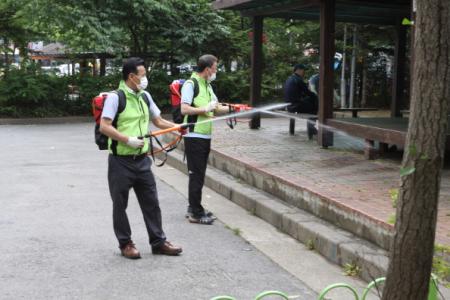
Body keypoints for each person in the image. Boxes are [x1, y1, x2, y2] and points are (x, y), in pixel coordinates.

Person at [100, 57, 183, 259]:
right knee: (120, 204)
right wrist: (126, 139)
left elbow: (159, 120)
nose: (145, 78)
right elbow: (105, 126)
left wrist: (178, 128)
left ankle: (158, 242)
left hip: (142, 160)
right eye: (143, 75)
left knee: (151, 202)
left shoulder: (145, 96)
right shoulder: (115, 98)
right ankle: (126, 244)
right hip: (120, 161)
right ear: (131, 76)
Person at [180, 54, 228, 225]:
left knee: (199, 174)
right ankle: (195, 212)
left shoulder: (207, 85)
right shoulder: (190, 84)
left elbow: (215, 107)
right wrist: (204, 108)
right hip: (194, 135)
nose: (215, 72)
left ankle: (194, 207)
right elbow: (184, 109)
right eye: (215, 69)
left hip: (205, 135)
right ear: (207, 69)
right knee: (196, 174)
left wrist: (232, 108)